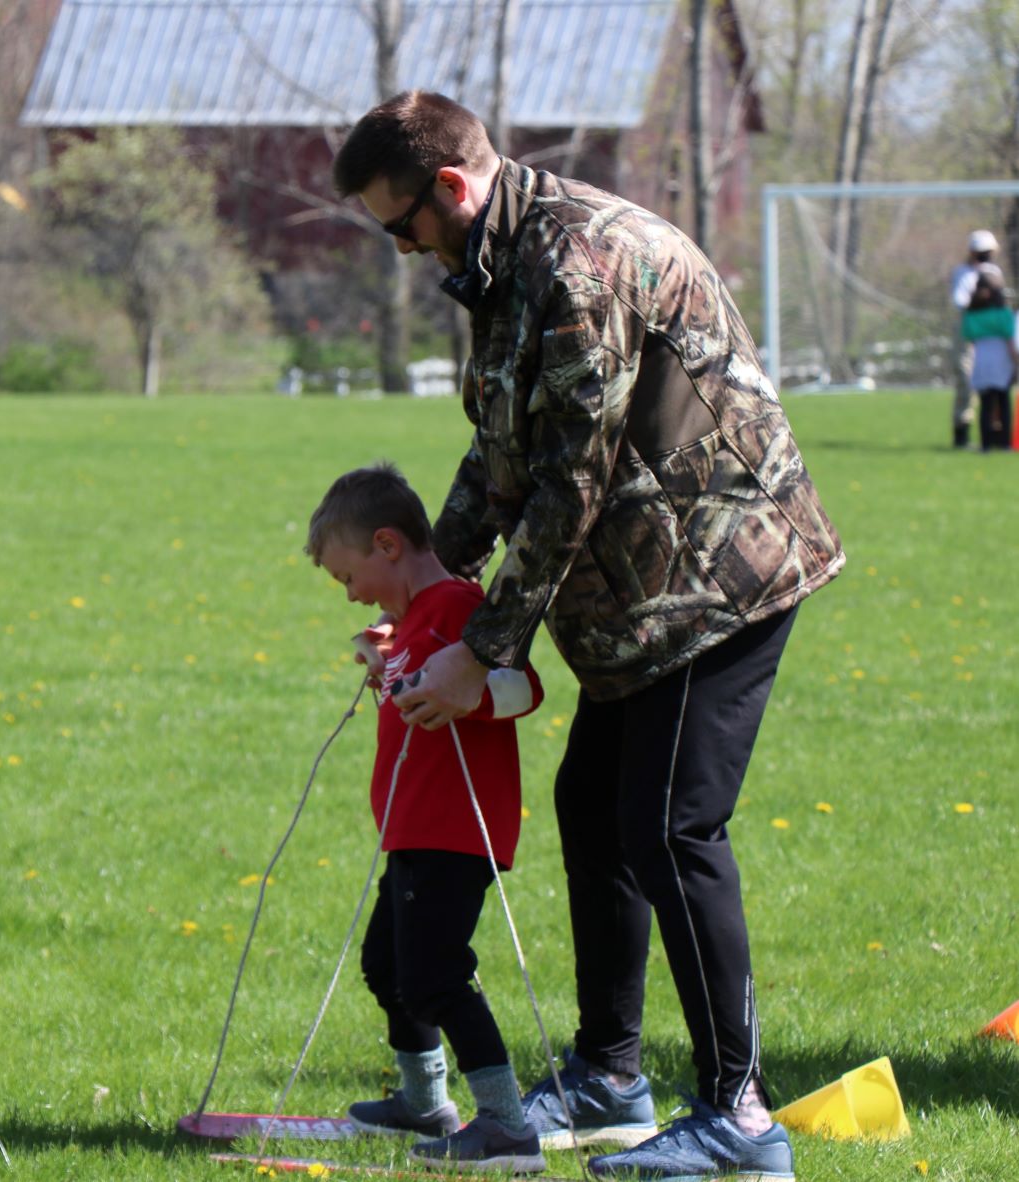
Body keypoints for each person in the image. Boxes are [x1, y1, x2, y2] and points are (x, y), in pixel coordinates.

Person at [331, 92, 844, 1181]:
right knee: (594, 810)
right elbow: (502, 456)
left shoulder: (577, 265)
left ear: (452, 190)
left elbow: (573, 479)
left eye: (401, 225)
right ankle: (613, 1076)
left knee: (670, 828)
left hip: (723, 581)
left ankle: (740, 1120)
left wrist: (486, 647)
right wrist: (428, 588)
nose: (405, 248)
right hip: (637, 601)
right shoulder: (501, 268)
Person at [307, 462, 548, 1173]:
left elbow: (521, 687)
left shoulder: (458, 605)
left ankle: (505, 1126)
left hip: (454, 833)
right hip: (412, 832)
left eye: (346, 578)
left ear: (386, 545)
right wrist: (386, 662)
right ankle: (422, 1103)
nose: (350, 596)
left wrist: (465, 696)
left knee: (436, 975)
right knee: (388, 967)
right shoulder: (411, 621)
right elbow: (416, 679)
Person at [951, 230, 1006, 449]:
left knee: (993, 384)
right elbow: (960, 301)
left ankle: (994, 435)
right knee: (966, 380)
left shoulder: (994, 271)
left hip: (991, 335)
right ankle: (961, 432)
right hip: (969, 330)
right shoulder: (963, 273)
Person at [962, 266, 1016, 451]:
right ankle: (1004, 443)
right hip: (1001, 359)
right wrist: (1016, 361)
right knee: (1003, 402)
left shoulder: (971, 315)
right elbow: (1010, 340)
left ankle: (985, 444)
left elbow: (969, 337)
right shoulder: (1004, 313)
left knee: (986, 404)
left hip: (981, 359)